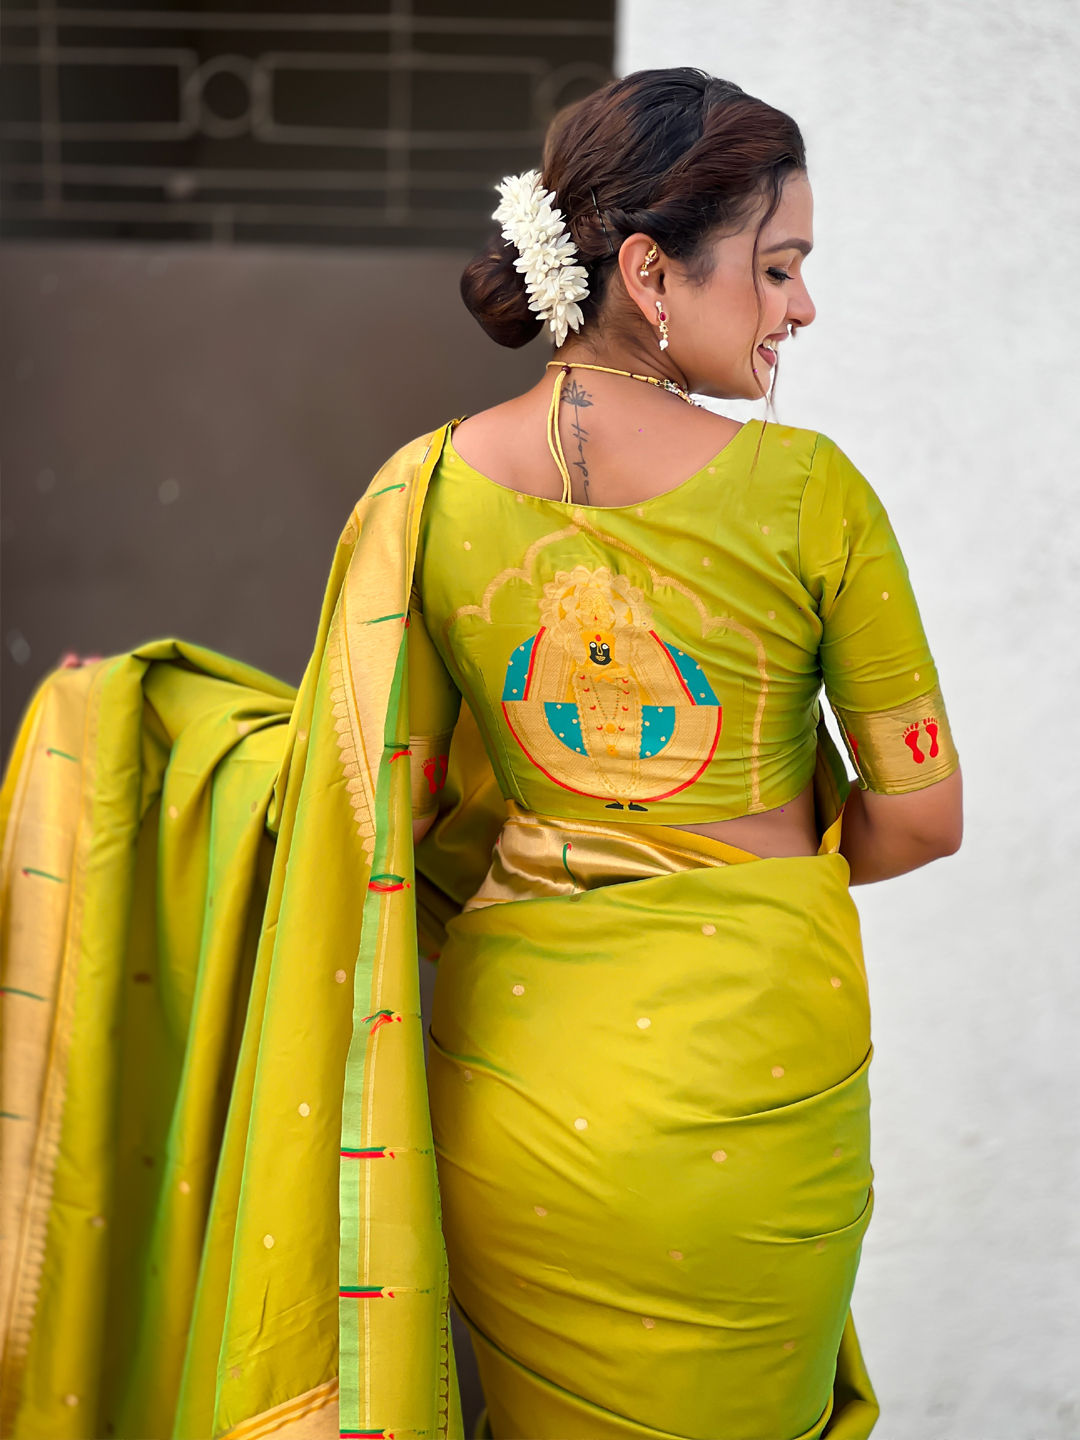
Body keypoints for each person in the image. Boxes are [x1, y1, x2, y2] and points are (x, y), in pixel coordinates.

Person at [0, 67, 960, 1440]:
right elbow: (921, 817)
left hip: (515, 1078)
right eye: (778, 266)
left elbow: (359, 791)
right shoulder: (809, 494)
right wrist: (738, 855)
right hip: (751, 1066)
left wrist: (151, 724)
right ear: (649, 271)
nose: (801, 306)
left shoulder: (428, 489)